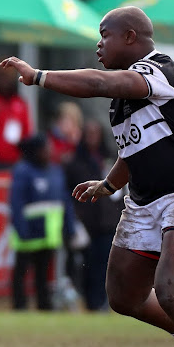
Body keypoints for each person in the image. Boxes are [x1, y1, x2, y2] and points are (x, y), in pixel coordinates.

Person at [0, 6, 174, 347]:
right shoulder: (122, 101)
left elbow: (97, 82)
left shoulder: (161, 69)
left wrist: (40, 76)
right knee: (123, 298)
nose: (97, 45)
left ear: (130, 37)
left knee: (172, 291)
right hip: (143, 202)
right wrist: (108, 184)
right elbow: (134, 149)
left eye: (104, 35)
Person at [9, 134, 75, 311]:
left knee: (44, 273)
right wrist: (22, 229)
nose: (50, 151)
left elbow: (65, 201)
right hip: (28, 232)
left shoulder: (56, 170)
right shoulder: (23, 171)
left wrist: (70, 227)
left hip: (49, 234)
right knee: (21, 271)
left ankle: (44, 305)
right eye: (46, 148)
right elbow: (17, 202)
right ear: (36, 151)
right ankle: (20, 306)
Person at [63, 119, 123, 311]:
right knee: (87, 267)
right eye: (88, 134)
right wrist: (74, 222)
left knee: (106, 266)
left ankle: (102, 304)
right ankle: (91, 304)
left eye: (95, 133)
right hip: (87, 224)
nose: (92, 138)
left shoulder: (110, 160)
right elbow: (68, 195)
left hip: (109, 222)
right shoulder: (75, 163)